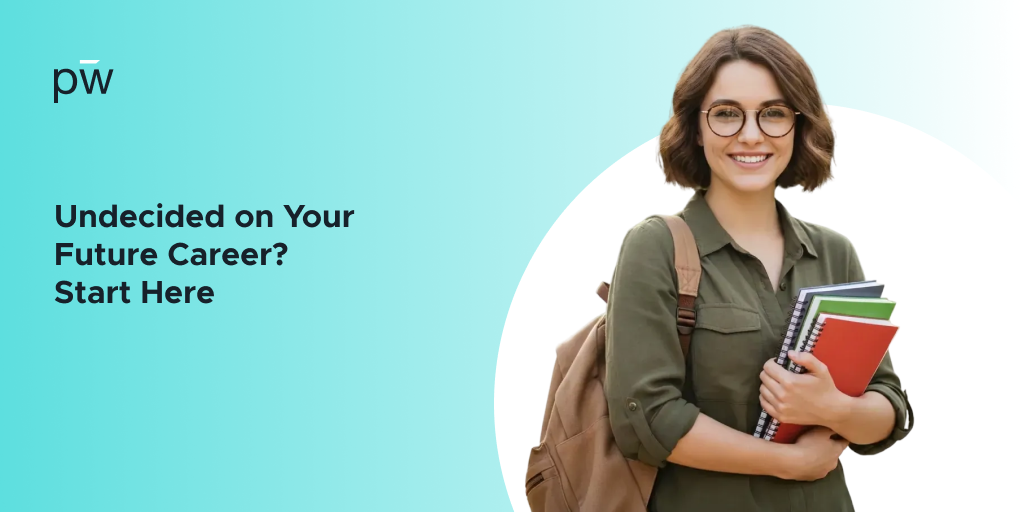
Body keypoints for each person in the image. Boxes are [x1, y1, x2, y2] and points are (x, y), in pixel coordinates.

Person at [603, 26, 912, 511]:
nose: (751, 134)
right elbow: (648, 419)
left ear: (799, 125)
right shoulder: (655, 247)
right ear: (696, 128)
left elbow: (888, 406)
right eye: (727, 113)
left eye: (774, 113)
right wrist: (786, 461)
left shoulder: (834, 253)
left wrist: (834, 408)